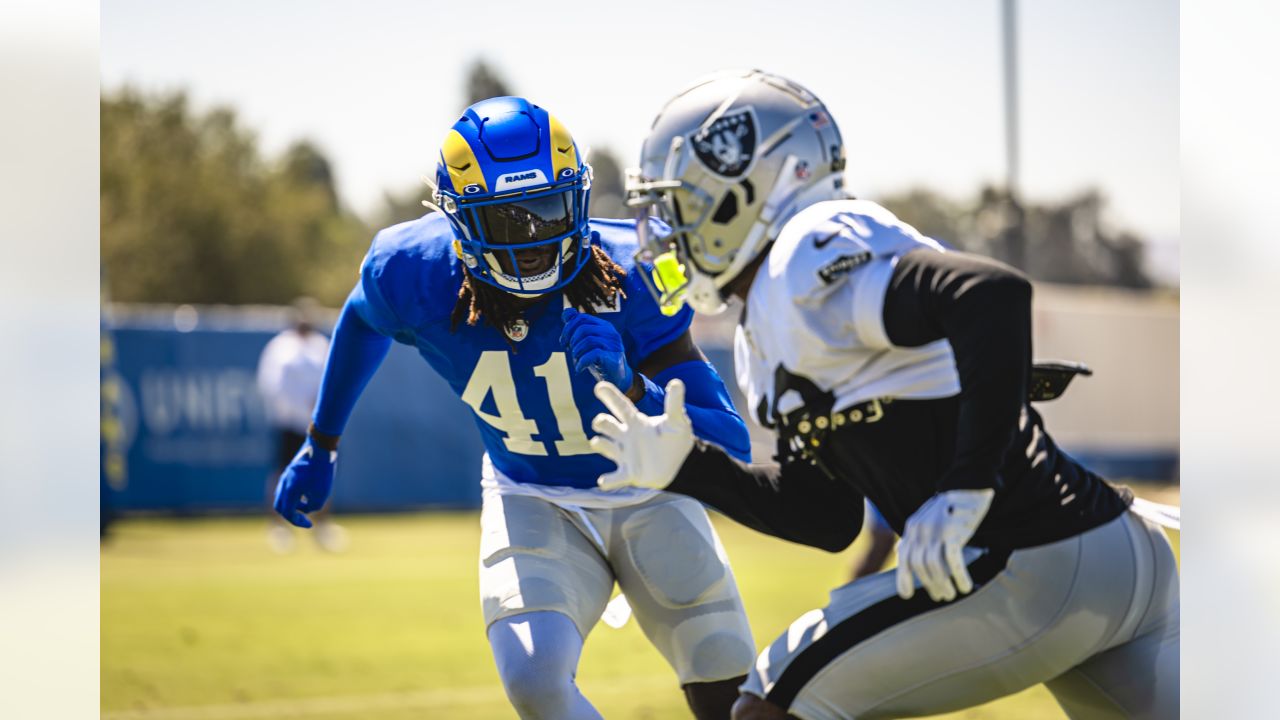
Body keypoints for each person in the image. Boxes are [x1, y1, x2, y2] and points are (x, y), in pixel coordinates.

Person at [591, 70, 1179, 719]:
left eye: (679, 205)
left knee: (769, 704)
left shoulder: (806, 254)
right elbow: (827, 517)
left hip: (1028, 556)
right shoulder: (764, 320)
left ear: (743, 191)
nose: (660, 232)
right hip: (1119, 557)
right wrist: (689, 466)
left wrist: (965, 488)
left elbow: (990, 294)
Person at [272, 97, 756, 720]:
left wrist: (638, 388)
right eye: (506, 219)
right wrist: (321, 439)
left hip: (652, 493)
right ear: (459, 223)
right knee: (535, 679)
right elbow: (362, 319)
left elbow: (730, 441)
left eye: (549, 208)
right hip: (531, 494)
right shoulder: (411, 269)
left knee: (725, 674)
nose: (534, 237)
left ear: (578, 200)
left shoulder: (638, 269)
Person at [257, 298, 347, 552]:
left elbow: (332, 380)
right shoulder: (281, 347)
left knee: (324, 469)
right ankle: (278, 528)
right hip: (289, 422)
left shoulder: (320, 345)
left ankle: (322, 527)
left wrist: (322, 410)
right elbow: (272, 384)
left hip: (318, 424)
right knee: (281, 472)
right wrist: (291, 409)